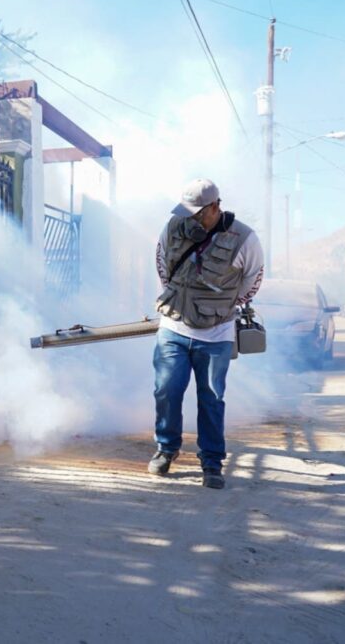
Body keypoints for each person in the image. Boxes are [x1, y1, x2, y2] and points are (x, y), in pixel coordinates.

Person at [149, 178, 264, 489]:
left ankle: (211, 462)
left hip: (216, 333)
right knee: (166, 390)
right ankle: (166, 448)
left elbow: (253, 279)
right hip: (173, 326)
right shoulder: (173, 226)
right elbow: (161, 263)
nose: (192, 218)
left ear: (215, 207)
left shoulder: (244, 238)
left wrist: (219, 305)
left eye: (198, 212)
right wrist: (182, 301)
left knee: (211, 397)